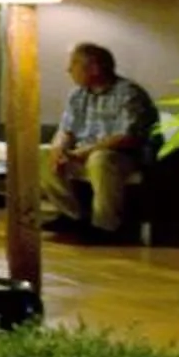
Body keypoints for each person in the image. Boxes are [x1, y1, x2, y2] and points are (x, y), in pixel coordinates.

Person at [42, 42, 157, 237]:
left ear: (94, 68)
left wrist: (85, 152)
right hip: (82, 154)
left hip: (122, 157)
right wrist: (58, 149)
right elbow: (66, 130)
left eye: (74, 64)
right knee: (42, 154)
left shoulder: (129, 94)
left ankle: (105, 226)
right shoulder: (77, 94)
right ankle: (72, 216)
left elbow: (126, 137)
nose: (69, 69)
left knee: (100, 159)